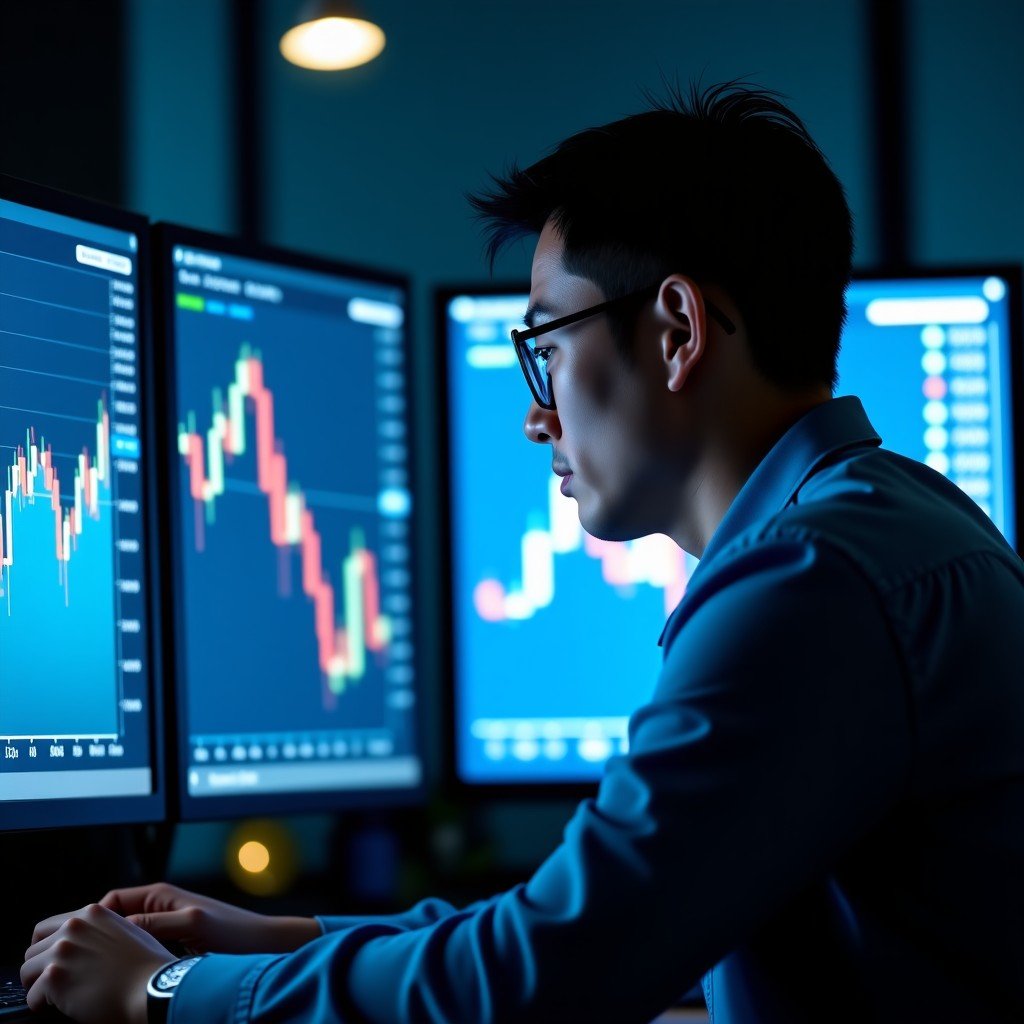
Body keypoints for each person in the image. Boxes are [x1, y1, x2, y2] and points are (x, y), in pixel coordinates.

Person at [21, 80, 1024, 1023]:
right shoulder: (886, 525)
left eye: (547, 345)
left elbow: (546, 979)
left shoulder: (810, 585)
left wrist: (166, 993)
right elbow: (575, 924)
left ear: (675, 329)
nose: (536, 417)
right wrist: (285, 935)